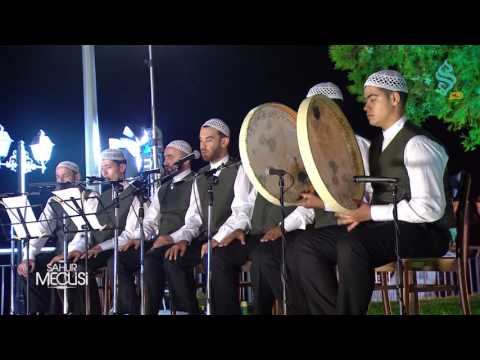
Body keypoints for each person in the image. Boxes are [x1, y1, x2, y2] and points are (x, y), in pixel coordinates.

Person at [294, 70, 453, 314]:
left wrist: (370, 214)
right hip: (385, 228)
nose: (366, 106)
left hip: (426, 233)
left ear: (395, 99)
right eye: (366, 100)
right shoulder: (377, 144)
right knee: (305, 245)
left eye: (373, 98)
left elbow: (429, 209)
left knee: (353, 244)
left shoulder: (418, 144)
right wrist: (332, 205)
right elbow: (366, 202)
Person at [162, 118, 253, 315]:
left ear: (225, 141)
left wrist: (217, 239)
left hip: (231, 237)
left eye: (209, 140)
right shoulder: (199, 176)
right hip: (205, 239)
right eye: (201, 141)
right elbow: (194, 218)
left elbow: (242, 212)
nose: (203, 146)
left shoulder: (239, 169)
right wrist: (184, 239)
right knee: (173, 259)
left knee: (216, 258)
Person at [116, 140, 196, 315]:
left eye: (170, 157)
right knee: (119, 259)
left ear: (187, 160)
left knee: (154, 260)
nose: (165, 162)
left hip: (185, 240)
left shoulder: (196, 182)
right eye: (164, 157)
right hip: (159, 241)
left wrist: (172, 238)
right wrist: (138, 237)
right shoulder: (163, 188)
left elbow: (195, 220)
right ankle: (133, 310)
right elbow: (150, 221)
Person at [17, 161, 97, 314]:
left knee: (59, 268)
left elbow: (86, 232)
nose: (61, 181)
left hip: (82, 252)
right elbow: (41, 230)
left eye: (65, 176)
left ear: (77, 177)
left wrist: (68, 253)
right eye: (58, 177)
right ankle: (38, 311)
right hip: (59, 252)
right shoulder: (53, 201)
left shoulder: (90, 197)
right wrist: (29, 255)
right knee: (30, 270)